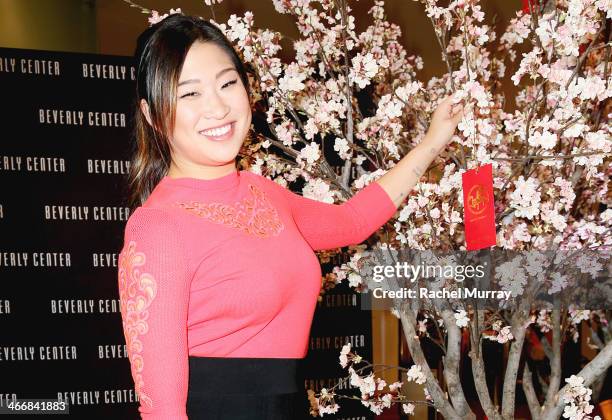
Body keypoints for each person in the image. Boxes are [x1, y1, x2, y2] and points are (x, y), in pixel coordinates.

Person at [117, 13, 463, 420]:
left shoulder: (263, 193)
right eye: (189, 94)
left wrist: (432, 142)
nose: (217, 107)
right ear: (154, 114)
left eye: (228, 84)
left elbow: (353, 221)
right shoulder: (158, 227)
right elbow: (162, 409)